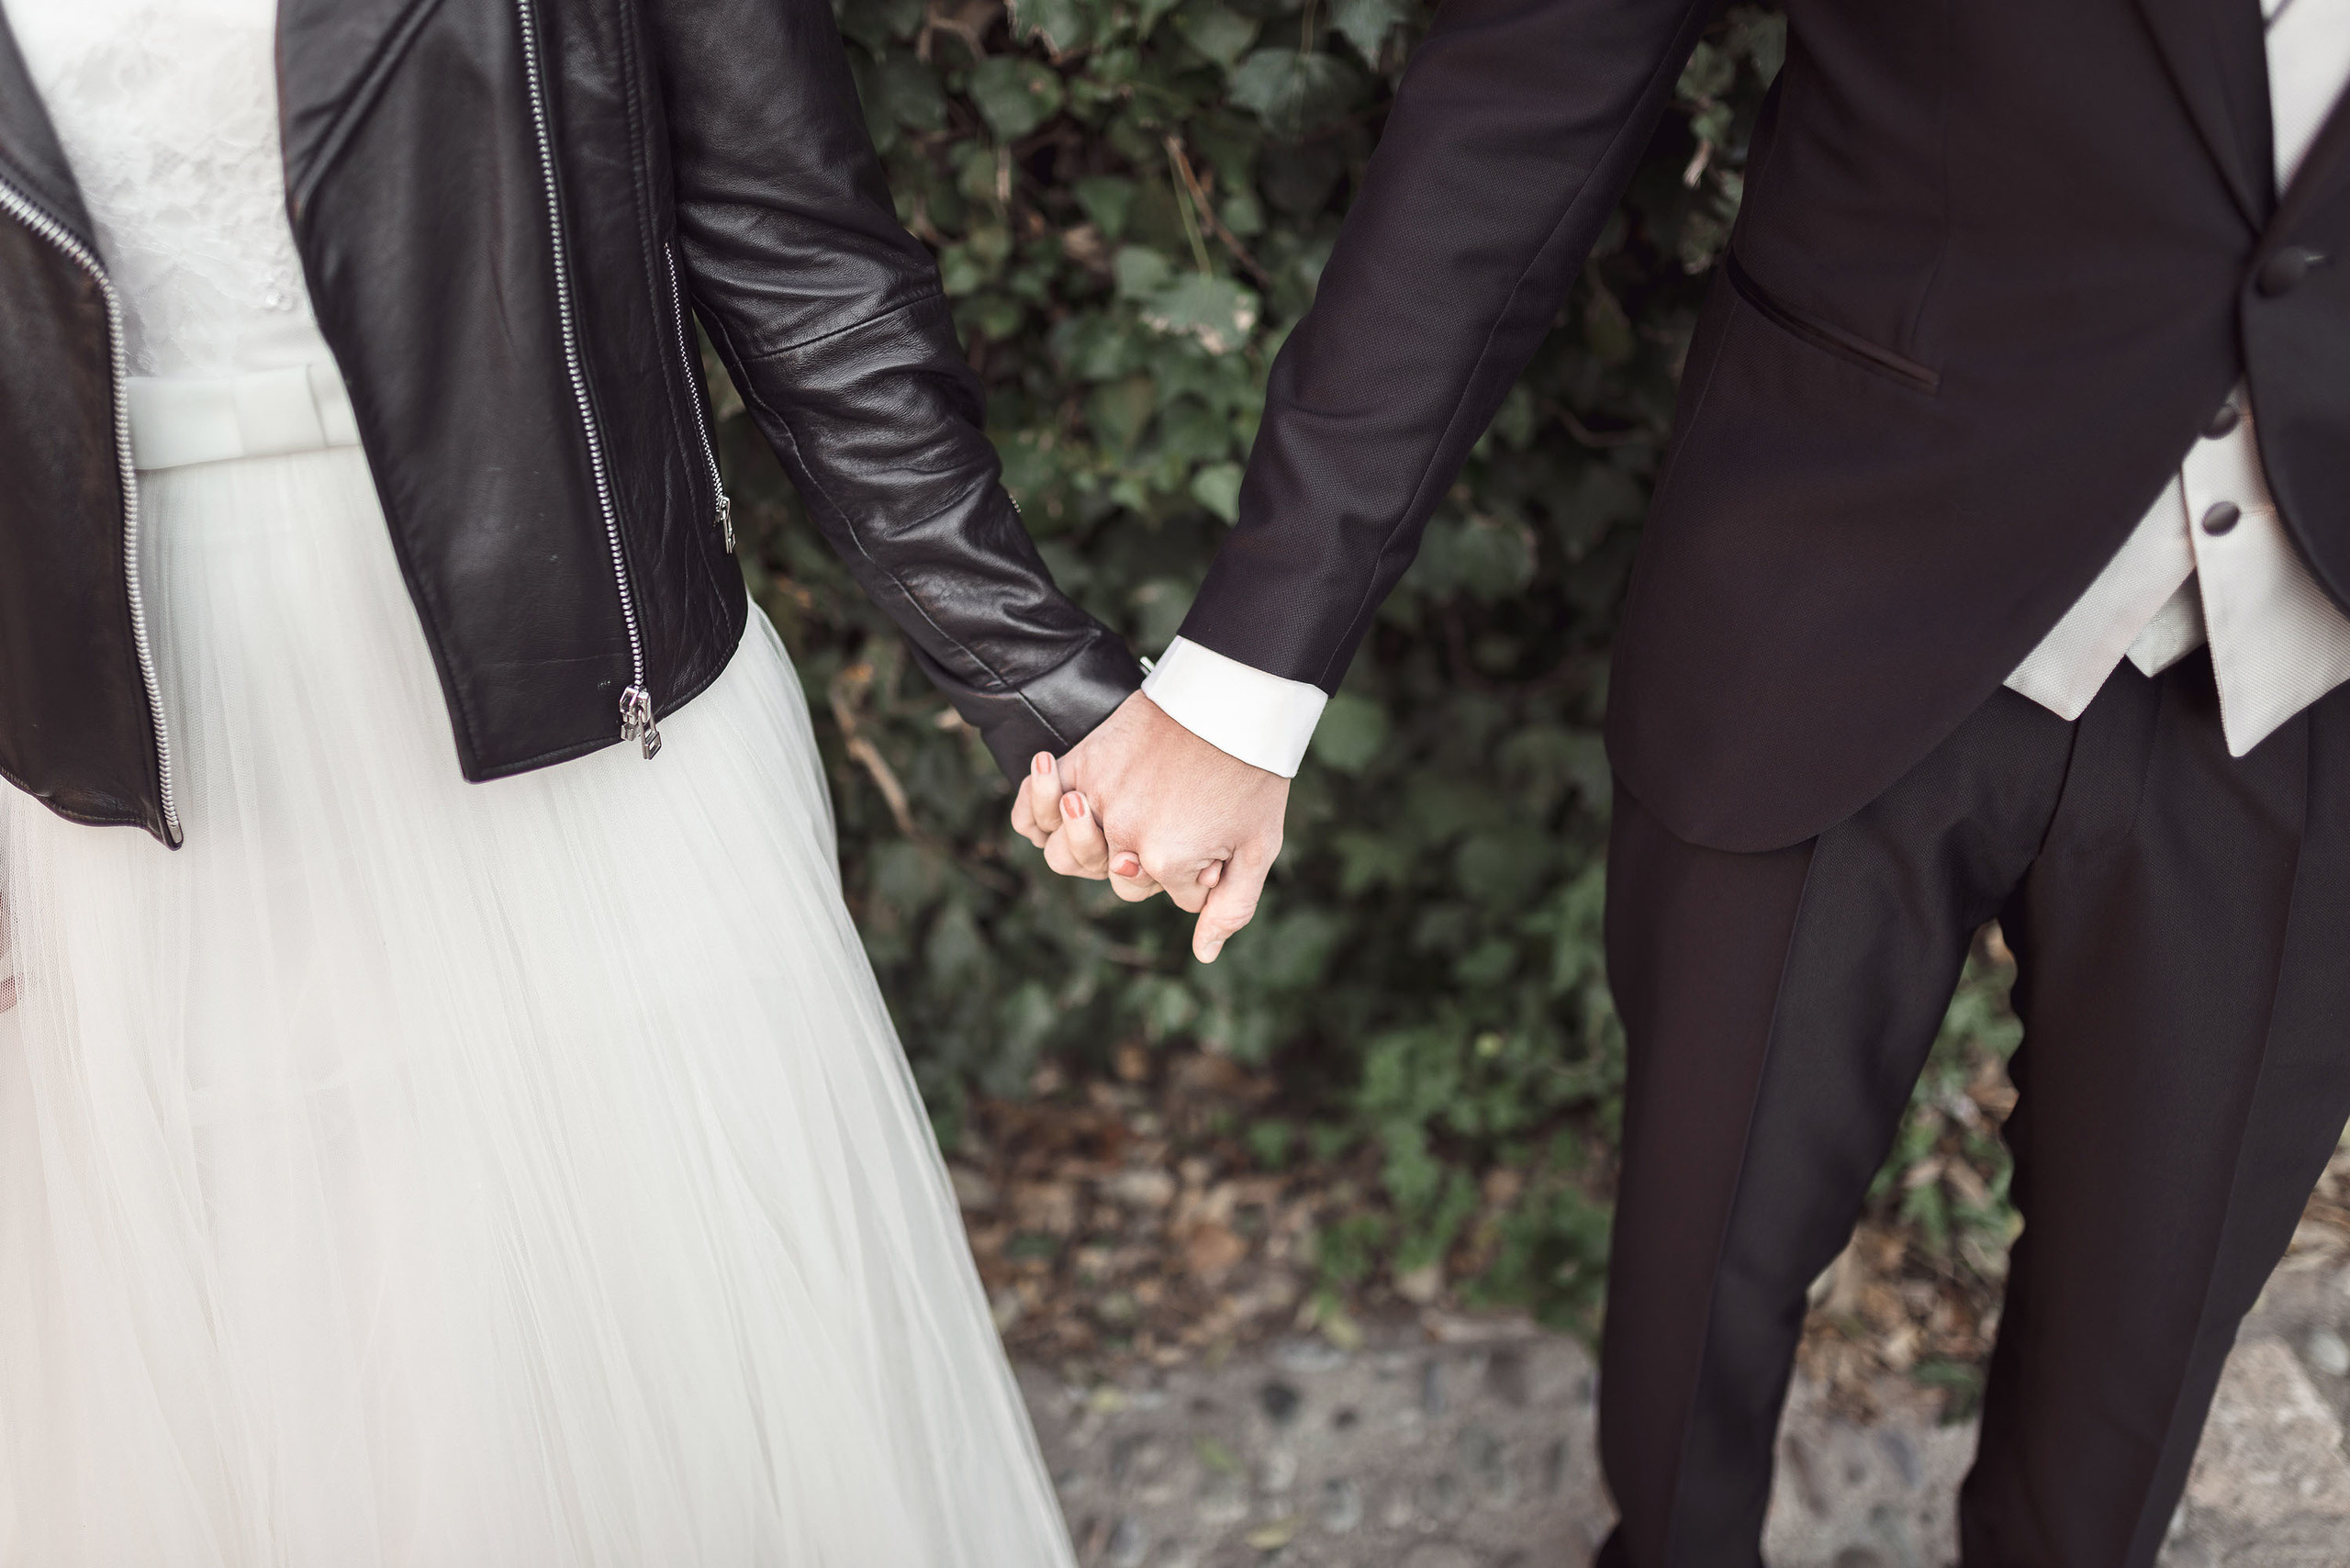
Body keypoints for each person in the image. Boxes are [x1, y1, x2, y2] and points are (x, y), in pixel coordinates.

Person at [1018, 0, 2350, 1561]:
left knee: (2141, 1371)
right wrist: (1247, 680)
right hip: (1837, 574)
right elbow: (1527, 88)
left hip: (2309, 667)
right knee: (1698, 1286)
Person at [0, 0, 1138, 1559]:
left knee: (664, 1334)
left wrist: (1045, 683)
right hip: (117, 745)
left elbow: (799, 249)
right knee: (274, 1355)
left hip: (574, 680)